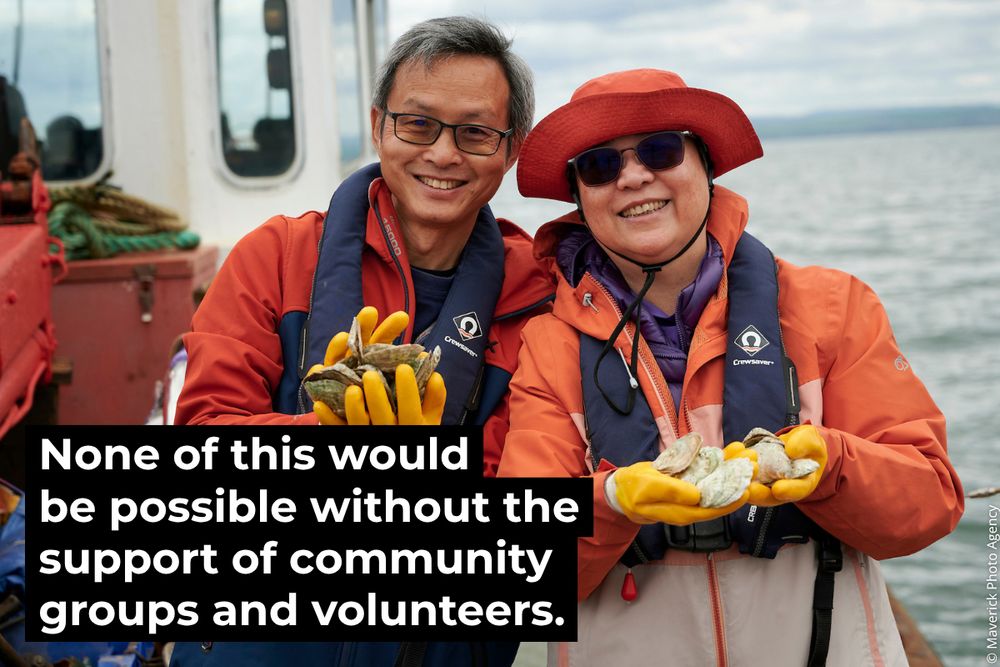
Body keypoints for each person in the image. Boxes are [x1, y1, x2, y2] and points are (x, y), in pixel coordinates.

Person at [498, 68, 964, 666]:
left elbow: (927, 506)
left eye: (661, 151)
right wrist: (612, 500)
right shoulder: (548, 346)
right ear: (581, 198)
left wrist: (833, 464)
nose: (634, 176)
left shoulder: (831, 305)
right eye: (599, 165)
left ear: (707, 167)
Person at [172, 17, 553, 667]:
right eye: (418, 123)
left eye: (475, 132)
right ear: (379, 125)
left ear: (509, 151)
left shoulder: (539, 298)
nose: (442, 153)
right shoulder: (277, 254)